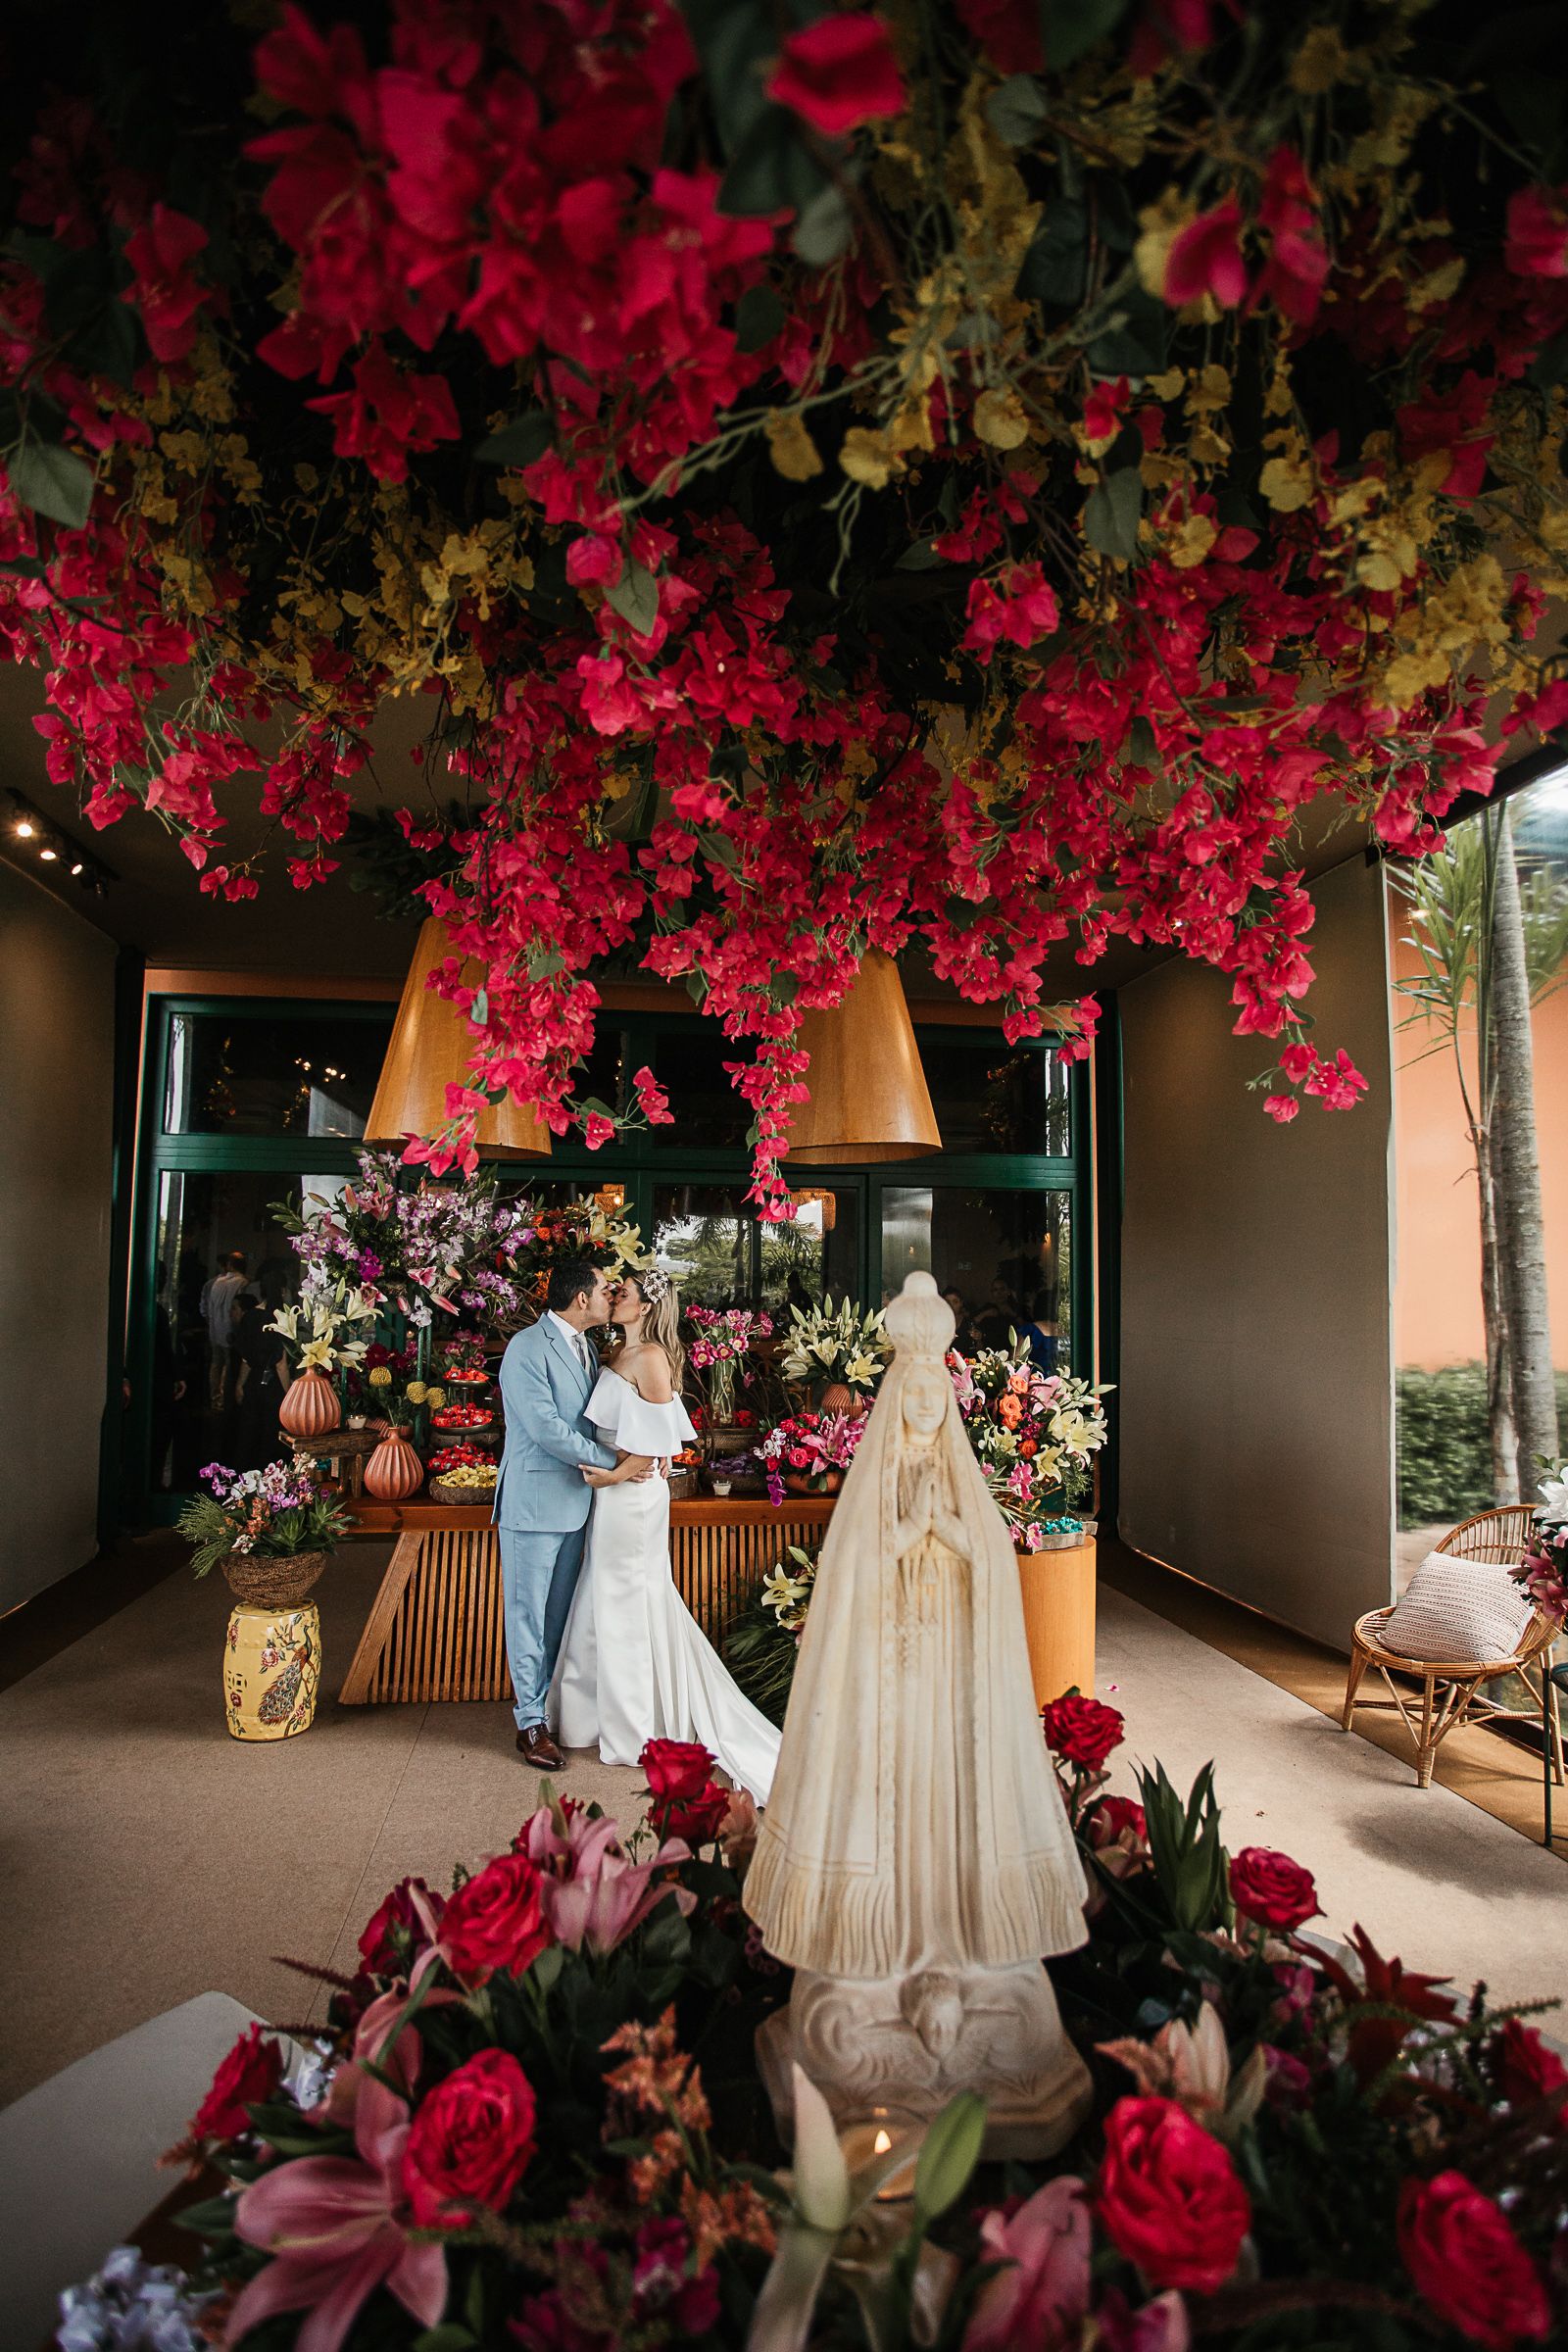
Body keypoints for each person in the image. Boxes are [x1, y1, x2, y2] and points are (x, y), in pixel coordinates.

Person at [551, 1268, 780, 1804]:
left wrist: (610, 1474)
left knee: (627, 1596)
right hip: (612, 1492)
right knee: (600, 1594)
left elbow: (660, 1446)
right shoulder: (619, 1354)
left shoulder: (651, 1358)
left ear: (646, 1306)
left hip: (632, 1496)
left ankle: (633, 1727)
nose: (613, 1295)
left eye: (622, 1292)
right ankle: (590, 1716)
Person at [496, 1259, 625, 1772]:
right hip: (532, 1506)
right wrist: (617, 1463)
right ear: (579, 1299)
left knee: (556, 1617)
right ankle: (529, 1723)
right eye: (602, 1291)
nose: (608, 1298)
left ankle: (546, 1707)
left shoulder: (587, 1347)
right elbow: (548, 1429)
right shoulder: (526, 1348)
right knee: (526, 1616)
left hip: (576, 1503)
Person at [200, 1250, 248, 1408]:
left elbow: (205, 1307)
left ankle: (214, 1397)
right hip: (230, 1329)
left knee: (216, 1363)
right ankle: (225, 1398)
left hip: (214, 1328)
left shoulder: (216, 1282)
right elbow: (240, 1308)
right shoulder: (242, 1282)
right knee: (229, 1364)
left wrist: (210, 1322)